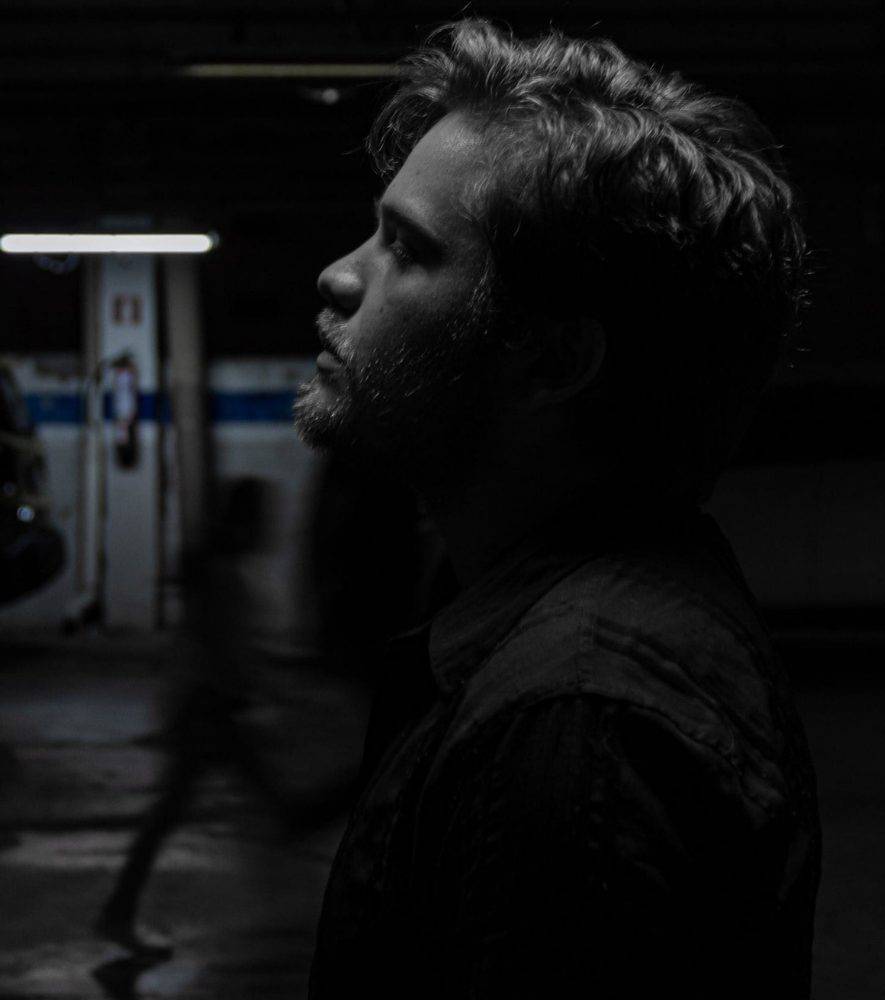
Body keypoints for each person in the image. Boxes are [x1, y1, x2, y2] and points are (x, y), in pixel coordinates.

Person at [294, 18, 821, 998]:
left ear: (551, 357)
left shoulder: (573, 726)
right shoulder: (588, 628)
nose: (340, 274)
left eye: (406, 247)